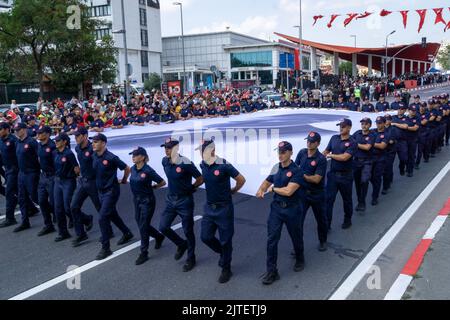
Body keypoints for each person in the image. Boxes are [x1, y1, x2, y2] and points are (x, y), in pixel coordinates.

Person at [198, 138, 246, 283]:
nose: (201, 153)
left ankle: (226, 268)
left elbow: (241, 179)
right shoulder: (203, 165)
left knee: (226, 241)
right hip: (209, 208)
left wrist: (233, 191)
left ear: (212, 150)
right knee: (205, 237)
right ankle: (222, 253)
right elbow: (206, 179)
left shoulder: (224, 165)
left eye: (203, 150)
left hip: (224, 208)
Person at [256, 141, 304, 285]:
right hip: (277, 209)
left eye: (283, 152)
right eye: (279, 152)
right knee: (272, 239)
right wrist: (261, 189)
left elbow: (289, 191)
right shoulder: (276, 167)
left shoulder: (297, 171)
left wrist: (273, 189)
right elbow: (267, 181)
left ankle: (300, 258)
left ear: (290, 152)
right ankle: (272, 271)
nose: (280, 155)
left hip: (292, 209)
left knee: (296, 236)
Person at [159, 138, 204, 272]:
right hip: (170, 200)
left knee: (188, 231)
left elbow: (200, 178)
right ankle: (181, 244)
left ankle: (191, 258)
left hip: (185, 201)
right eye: (165, 147)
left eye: (169, 147)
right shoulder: (164, 161)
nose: (166, 150)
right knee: (163, 227)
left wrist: (191, 188)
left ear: (177, 148)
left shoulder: (185, 163)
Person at [91, 134, 134, 260]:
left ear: (104, 143)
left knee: (102, 217)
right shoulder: (94, 155)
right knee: (111, 214)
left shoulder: (111, 157)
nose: (93, 144)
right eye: (93, 142)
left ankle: (106, 248)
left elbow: (127, 168)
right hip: (101, 191)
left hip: (111, 191)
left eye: (96, 142)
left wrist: (124, 180)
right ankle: (127, 233)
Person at [129, 147, 166, 265]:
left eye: (136, 155)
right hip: (137, 200)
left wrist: (154, 187)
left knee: (143, 226)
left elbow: (162, 182)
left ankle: (143, 252)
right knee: (140, 223)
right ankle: (158, 237)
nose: (133, 156)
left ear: (143, 157)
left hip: (147, 201)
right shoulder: (133, 169)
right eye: (132, 154)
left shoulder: (148, 170)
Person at [71, 127, 107, 248]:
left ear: (85, 136)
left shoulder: (93, 148)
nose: (75, 138)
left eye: (78, 136)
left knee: (100, 208)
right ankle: (81, 234)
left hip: (93, 182)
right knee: (74, 207)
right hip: (83, 181)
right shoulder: (77, 148)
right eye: (75, 136)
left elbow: (101, 163)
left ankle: (108, 231)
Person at [295, 132, 328, 252]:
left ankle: (323, 240)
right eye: (308, 140)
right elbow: (294, 167)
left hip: (317, 194)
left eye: (312, 141)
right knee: (298, 221)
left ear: (318, 143)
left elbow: (316, 179)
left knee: (321, 219)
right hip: (302, 193)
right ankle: (298, 247)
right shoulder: (302, 153)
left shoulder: (321, 159)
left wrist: (301, 175)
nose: (309, 143)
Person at [323, 119, 356, 230]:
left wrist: (331, 156)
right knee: (328, 200)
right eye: (340, 126)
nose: (341, 128)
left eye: (343, 126)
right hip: (332, 175)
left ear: (349, 128)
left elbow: (345, 157)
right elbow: (326, 151)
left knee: (346, 200)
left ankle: (348, 220)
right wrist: (322, 155)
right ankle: (327, 224)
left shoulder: (352, 142)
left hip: (346, 176)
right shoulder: (334, 138)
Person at [52, 133, 81, 242]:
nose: (56, 142)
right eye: (55, 141)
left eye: (58, 141)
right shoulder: (55, 153)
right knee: (58, 207)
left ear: (64, 142)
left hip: (68, 181)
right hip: (58, 181)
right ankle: (63, 232)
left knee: (68, 206)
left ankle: (85, 219)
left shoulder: (69, 153)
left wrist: (76, 177)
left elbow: (76, 168)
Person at [13, 123, 41, 233]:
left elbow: (39, 156)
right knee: (21, 198)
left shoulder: (31, 142)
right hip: (22, 173)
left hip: (32, 173)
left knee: (35, 197)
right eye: (15, 130)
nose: (16, 131)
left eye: (18, 129)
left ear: (24, 130)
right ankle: (25, 222)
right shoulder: (18, 142)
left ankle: (53, 212)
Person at [36, 126, 57, 236]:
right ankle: (48, 225)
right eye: (38, 133)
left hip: (53, 176)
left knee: (55, 203)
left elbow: (57, 163)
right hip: (43, 176)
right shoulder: (39, 145)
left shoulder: (53, 146)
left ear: (48, 134)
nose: (38, 135)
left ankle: (83, 219)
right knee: (42, 201)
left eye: (41, 133)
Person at [352, 118, 375, 213]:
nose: (363, 125)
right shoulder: (357, 133)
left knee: (364, 181)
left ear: (369, 125)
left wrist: (355, 144)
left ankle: (362, 201)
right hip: (356, 161)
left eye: (366, 124)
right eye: (362, 124)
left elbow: (367, 147)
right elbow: (350, 142)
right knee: (357, 183)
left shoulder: (372, 135)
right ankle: (360, 201)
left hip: (367, 162)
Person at [0, 122, 19, 228]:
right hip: (7, 169)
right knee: (20, 192)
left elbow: (20, 155)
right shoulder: (1, 141)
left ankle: (10, 218)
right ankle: (32, 208)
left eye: (0, 129)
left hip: (15, 170)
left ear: (7, 129)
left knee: (9, 193)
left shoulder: (13, 140)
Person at [370, 117, 389, 205]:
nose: (378, 124)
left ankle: (375, 197)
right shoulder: (372, 131)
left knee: (377, 178)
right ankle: (376, 188)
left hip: (380, 159)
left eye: (380, 123)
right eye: (377, 123)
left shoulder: (386, 133)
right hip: (370, 158)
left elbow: (382, 146)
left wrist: (370, 143)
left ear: (384, 123)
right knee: (369, 177)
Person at [391, 104, 409, 176]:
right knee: (390, 161)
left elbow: (405, 126)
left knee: (404, 158)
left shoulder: (406, 118)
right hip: (393, 142)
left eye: (401, 109)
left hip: (402, 142)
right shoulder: (392, 117)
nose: (399, 110)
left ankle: (401, 167)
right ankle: (389, 178)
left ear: (404, 110)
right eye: (398, 109)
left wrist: (395, 124)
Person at [404, 106, 420, 177]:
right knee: (404, 155)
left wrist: (406, 127)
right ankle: (407, 167)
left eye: (415, 110)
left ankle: (410, 170)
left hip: (413, 139)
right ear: (409, 110)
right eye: (412, 110)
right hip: (405, 139)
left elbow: (415, 128)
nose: (413, 112)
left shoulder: (417, 118)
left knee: (411, 155)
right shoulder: (405, 118)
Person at [382, 115, 396, 195]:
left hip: (390, 151)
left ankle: (385, 186)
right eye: (385, 120)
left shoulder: (393, 129)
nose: (386, 121)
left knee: (388, 168)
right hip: (381, 152)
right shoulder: (380, 129)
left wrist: (382, 142)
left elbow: (391, 141)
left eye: (388, 119)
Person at [415, 103, 431, 169]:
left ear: (425, 107)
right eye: (421, 106)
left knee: (424, 147)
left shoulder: (427, 114)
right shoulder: (416, 112)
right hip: (416, 133)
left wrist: (416, 121)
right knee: (417, 149)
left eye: (423, 106)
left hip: (424, 133)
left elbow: (423, 122)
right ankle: (416, 163)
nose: (422, 108)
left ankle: (425, 158)